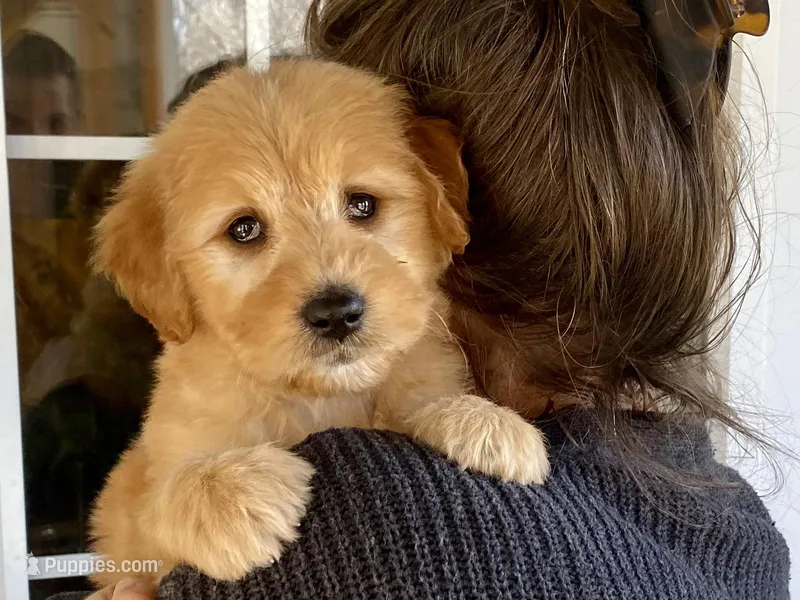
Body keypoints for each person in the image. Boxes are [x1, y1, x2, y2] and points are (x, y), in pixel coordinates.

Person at [70, 1, 789, 599]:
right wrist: (181, 510)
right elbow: (137, 523)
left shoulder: (384, 525)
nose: (329, 288)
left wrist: (445, 413)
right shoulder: (738, 527)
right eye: (246, 230)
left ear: (451, 206)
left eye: (361, 205)